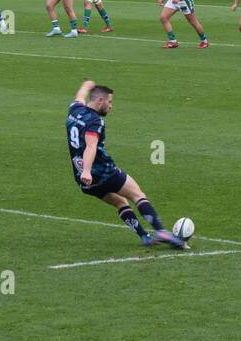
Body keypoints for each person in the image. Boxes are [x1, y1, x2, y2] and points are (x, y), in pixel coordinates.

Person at [66, 80, 187, 250]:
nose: (111, 106)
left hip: (82, 180)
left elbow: (80, 95)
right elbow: (91, 146)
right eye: (109, 102)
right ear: (99, 100)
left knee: (120, 202)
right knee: (138, 195)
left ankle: (144, 237)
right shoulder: (95, 121)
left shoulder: (74, 110)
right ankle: (161, 231)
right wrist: (88, 170)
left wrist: (86, 86)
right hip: (103, 173)